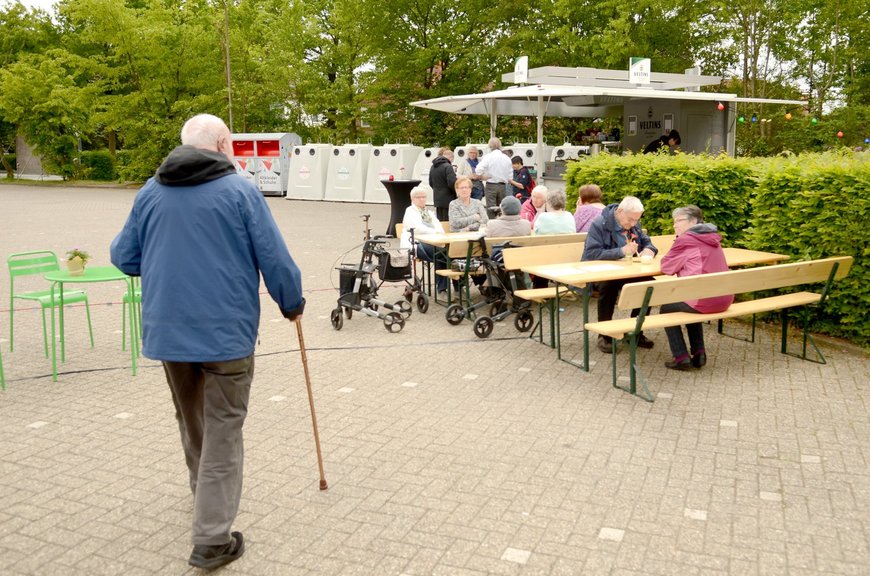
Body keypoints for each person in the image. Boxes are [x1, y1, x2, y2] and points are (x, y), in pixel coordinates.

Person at [110, 114, 304, 570]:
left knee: (194, 421)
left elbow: (123, 256)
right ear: (221, 143)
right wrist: (291, 302)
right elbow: (274, 258)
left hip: (169, 331)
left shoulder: (150, 192)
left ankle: (204, 498)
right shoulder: (240, 191)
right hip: (227, 335)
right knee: (223, 429)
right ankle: (212, 537)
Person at [659, 205, 733, 370]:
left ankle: (681, 357)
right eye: (674, 221)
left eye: (679, 221)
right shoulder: (712, 237)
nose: (675, 225)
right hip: (724, 298)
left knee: (667, 309)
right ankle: (699, 353)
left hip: (704, 300)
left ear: (693, 222)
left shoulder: (686, 240)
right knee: (689, 304)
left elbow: (666, 268)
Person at [582, 196, 657, 353]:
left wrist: (650, 249)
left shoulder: (633, 224)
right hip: (602, 273)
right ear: (620, 211)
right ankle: (604, 335)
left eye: (637, 220)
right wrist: (620, 251)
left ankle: (635, 331)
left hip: (627, 271)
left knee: (649, 283)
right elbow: (591, 254)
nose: (633, 224)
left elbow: (647, 242)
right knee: (608, 286)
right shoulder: (599, 224)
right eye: (631, 220)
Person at [401, 187, 449, 294]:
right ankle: (442, 288)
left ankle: (443, 287)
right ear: (412, 199)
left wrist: (438, 232)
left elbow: (438, 225)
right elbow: (417, 229)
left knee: (445, 252)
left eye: (424, 197)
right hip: (416, 244)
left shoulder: (428, 212)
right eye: (419, 197)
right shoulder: (409, 211)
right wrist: (434, 232)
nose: (422, 199)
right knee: (443, 253)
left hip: (433, 242)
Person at [474, 137, 513, 211]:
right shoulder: (507, 158)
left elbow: (478, 170)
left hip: (491, 185)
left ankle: (492, 222)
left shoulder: (488, 157)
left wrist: (483, 176)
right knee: (502, 209)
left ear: (490, 146)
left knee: (491, 209)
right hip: (503, 186)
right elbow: (510, 177)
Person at [429, 146, 457, 221]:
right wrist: (456, 192)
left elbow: (431, 182)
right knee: (448, 221)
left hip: (437, 198)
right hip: (449, 198)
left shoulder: (433, 166)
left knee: (440, 221)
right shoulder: (448, 166)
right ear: (451, 157)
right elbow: (452, 183)